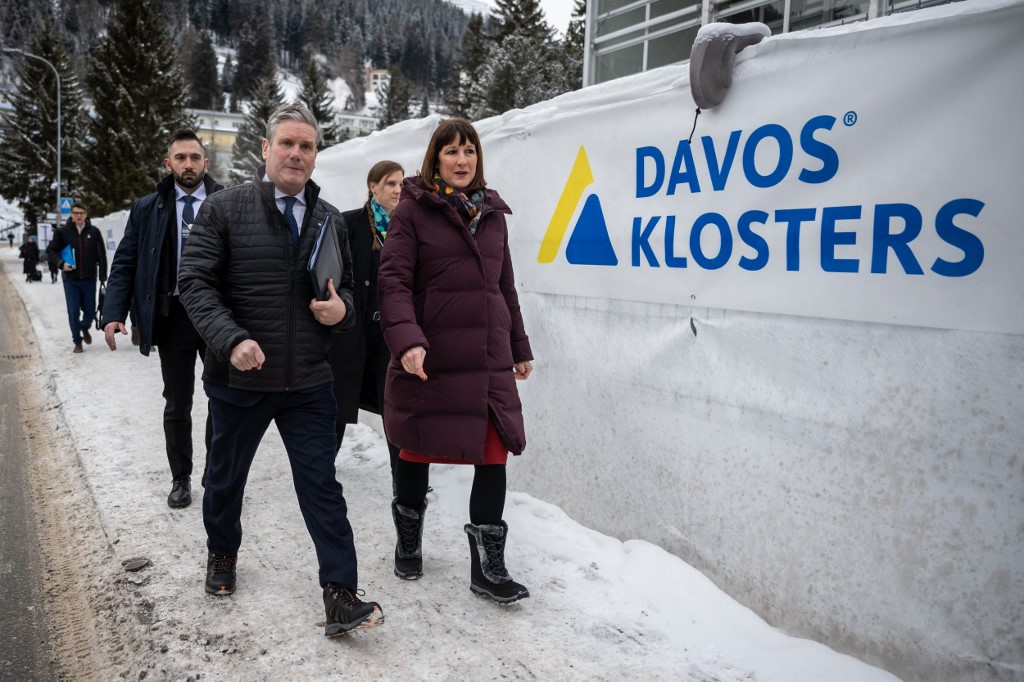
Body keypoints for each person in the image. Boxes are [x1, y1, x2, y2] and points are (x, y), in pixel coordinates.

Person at [178, 103, 384, 636]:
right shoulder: (223, 209)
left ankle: (340, 591)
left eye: (307, 146)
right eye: (287, 144)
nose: (297, 154)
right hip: (240, 378)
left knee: (322, 485)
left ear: (316, 156)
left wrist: (341, 315)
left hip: (309, 380)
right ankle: (222, 552)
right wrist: (231, 338)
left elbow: (348, 301)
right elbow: (194, 284)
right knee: (225, 478)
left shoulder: (330, 219)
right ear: (265, 149)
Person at [378, 118, 534, 604]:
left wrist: (520, 346)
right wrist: (406, 341)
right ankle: (409, 538)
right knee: (416, 449)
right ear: (435, 158)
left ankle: (488, 567)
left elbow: (504, 287)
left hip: (486, 359)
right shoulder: (413, 211)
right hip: (432, 355)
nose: (462, 160)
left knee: (494, 455)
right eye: (452, 152)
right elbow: (394, 282)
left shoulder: (492, 214)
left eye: (469, 151)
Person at [102, 130, 224, 510]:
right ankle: (181, 478)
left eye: (195, 157)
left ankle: (216, 477)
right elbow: (124, 263)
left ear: (206, 162)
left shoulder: (227, 202)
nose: (189, 164)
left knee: (223, 399)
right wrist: (112, 313)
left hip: (218, 317)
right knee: (177, 402)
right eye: (181, 157)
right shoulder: (147, 208)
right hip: (172, 318)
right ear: (168, 163)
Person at [329, 160, 404, 480]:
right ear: (372, 186)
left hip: (391, 334)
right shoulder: (348, 224)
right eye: (391, 183)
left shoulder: (408, 228)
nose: (398, 190)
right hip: (352, 331)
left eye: (401, 183)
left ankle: (405, 477)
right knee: (337, 404)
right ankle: (320, 468)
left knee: (396, 406)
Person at [46, 202, 108, 353]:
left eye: (81, 212)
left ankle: (84, 327)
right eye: (76, 213)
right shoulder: (62, 232)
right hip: (70, 279)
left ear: (86, 214)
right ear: (72, 214)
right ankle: (77, 341)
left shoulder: (94, 232)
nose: (79, 215)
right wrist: (61, 264)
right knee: (73, 311)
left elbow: (101, 255)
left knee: (90, 312)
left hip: (89, 279)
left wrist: (103, 276)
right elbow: (51, 251)